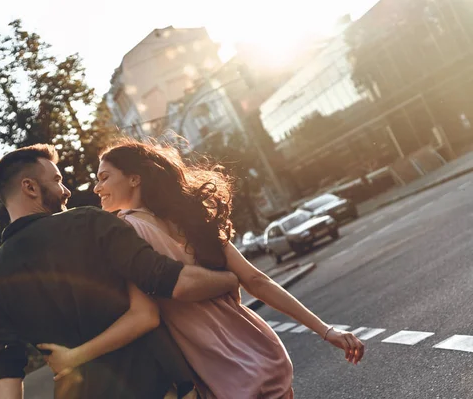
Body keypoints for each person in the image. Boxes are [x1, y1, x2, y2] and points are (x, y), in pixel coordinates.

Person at [40, 139, 365, 398]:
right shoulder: (193, 219)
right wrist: (326, 330)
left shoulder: (124, 230)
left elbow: (143, 316)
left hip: (221, 374)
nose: (96, 188)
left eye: (104, 177)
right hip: (262, 353)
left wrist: (74, 357)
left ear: (134, 178)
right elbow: (257, 280)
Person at [0, 143, 240, 399]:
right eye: (56, 180)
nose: (65, 190)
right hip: (155, 386)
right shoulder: (89, 222)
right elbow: (174, 281)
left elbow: (5, 375)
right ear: (29, 187)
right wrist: (229, 279)